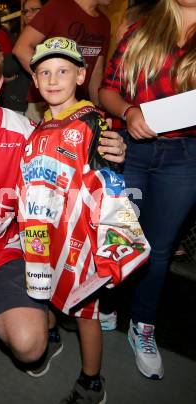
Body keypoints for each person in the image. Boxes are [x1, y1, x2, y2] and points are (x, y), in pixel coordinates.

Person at [0, 28, 126, 379]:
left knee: (31, 346)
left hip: (5, 254)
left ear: (1, 82)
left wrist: (110, 154)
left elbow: (77, 164)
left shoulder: (30, 133)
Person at [19, 36, 150, 403]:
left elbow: (110, 183)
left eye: (62, 70)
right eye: (44, 72)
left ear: (80, 74)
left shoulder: (93, 122)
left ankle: (91, 380)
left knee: (86, 311)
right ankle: (52, 335)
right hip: (44, 232)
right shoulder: (40, 125)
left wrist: (111, 243)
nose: (53, 79)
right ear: (35, 80)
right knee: (42, 288)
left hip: (83, 237)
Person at [99, 0, 196, 380]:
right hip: (131, 151)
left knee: (158, 248)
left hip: (186, 157)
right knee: (118, 235)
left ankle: (143, 324)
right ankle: (106, 302)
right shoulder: (140, 28)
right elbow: (107, 89)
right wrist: (128, 112)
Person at [13, 0, 113, 106]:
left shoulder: (104, 23)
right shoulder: (57, 7)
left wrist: (97, 108)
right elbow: (21, 48)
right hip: (46, 103)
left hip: (79, 105)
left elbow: (96, 71)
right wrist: (49, 80)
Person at [0, 0, 48, 116]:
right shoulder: (22, 37)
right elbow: (6, 67)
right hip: (18, 104)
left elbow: (8, 66)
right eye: (25, 11)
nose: (27, 14)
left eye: (34, 10)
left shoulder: (51, 40)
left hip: (36, 105)